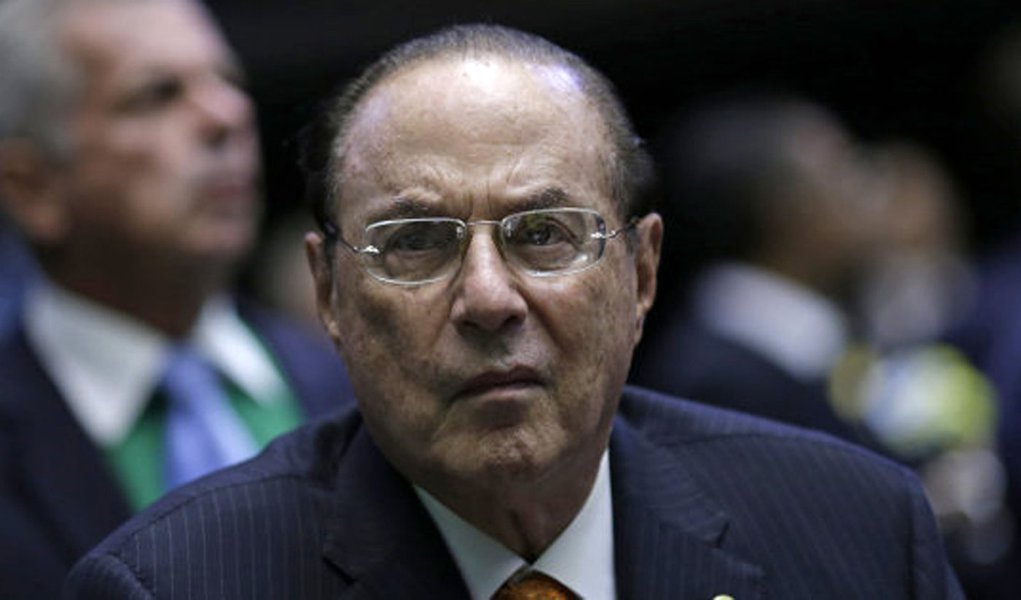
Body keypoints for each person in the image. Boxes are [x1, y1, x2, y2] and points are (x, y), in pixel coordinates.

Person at [65, 24, 962, 599]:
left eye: (543, 233)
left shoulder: (857, 530)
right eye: (416, 242)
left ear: (641, 273)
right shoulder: (173, 585)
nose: (489, 298)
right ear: (331, 294)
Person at [0, 0, 353, 596]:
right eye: (157, 95)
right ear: (32, 187)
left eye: (228, 81)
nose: (228, 115)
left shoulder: (354, 382)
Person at [631, 94, 884, 446]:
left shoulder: (827, 341)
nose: (868, 191)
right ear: (787, 211)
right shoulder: (713, 384)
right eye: (843, 171)